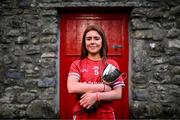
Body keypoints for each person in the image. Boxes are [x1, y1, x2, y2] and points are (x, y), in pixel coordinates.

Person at [67, 25, 125, 120]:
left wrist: (96, 96)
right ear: (84, 42)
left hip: (106, 114)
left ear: (102, 41)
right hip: (82, 113)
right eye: (89, 39)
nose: (92, 42)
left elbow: (118, 94)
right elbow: (72, 87)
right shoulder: (77, 64)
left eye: (96, 38)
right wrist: (104, 87)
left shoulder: (111, 64)